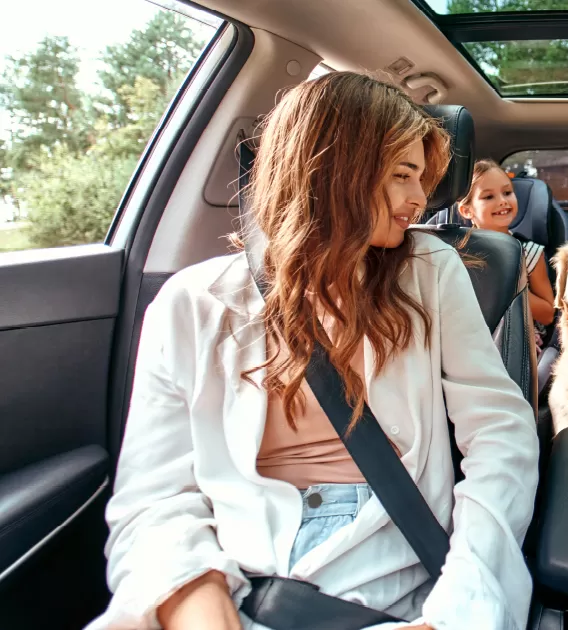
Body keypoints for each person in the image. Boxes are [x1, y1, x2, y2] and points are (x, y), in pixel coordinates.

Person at [88, 72, 539, 630]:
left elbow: (500, 434)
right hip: (237, 581)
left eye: (421, 178)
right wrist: (199, 603)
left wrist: (461, 606)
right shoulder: (189, 306)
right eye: (402, 175)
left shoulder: (431, 272)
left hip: (396, 589)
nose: (420, 199)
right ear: (332, 169)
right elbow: (153, 499)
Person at [457, 159, 556, 354]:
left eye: (507, 193)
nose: (502, 201)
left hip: (516, 339)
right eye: (488, 197)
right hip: (466, 336)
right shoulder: (456, 253)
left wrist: (505, 288)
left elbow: (548, 314)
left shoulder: (530, 253)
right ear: (467, 210)